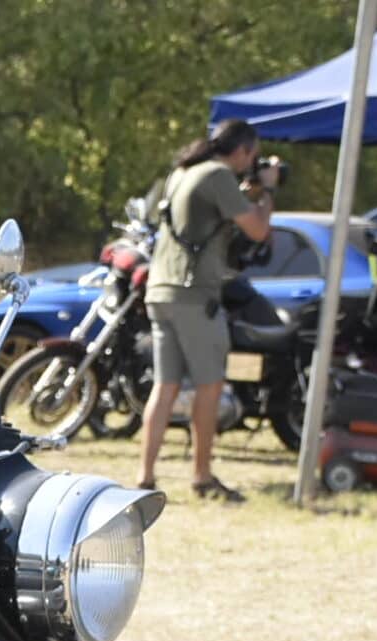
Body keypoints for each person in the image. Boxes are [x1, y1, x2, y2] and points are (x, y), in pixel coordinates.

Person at [138, 120, 276, 503]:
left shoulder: (183, 172)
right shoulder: (218, 175)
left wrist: (246, 192)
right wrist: (267, 191)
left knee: (165, 386)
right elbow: (258, 230)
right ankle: (202, 476)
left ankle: (144, 476)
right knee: (210, 385)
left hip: (160, 289)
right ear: (243, 151)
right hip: (194, 296)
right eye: (253, 155)